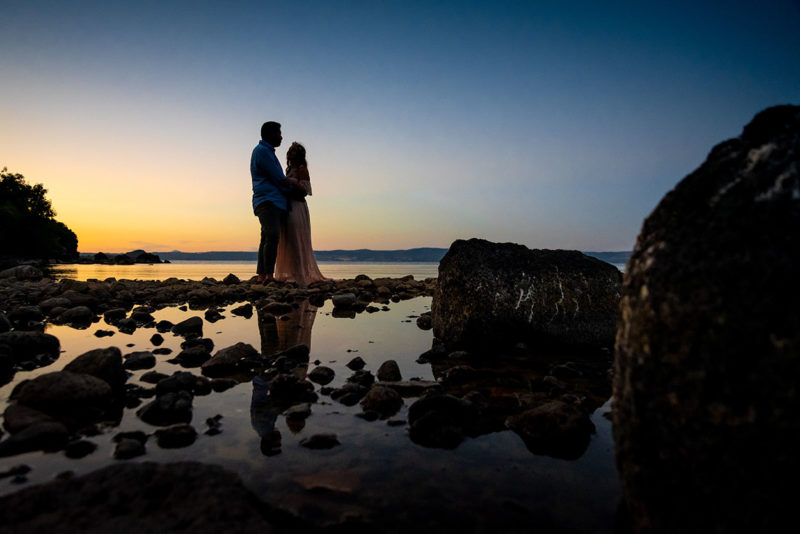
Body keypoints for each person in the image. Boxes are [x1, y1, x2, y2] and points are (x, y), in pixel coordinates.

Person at [273, 142, 328, 287]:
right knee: (289, 239)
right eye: (289, 150)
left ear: (298, 154)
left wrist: (291, 181)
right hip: (288, 205)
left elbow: (306, 189)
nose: (289, 152)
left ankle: (300, 274)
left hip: (298, 206)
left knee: (297, 239)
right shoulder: (289, 169)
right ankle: (291, 273)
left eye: (293, 150)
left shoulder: (302, 169)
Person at [251, 121, 290, 283]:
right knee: (272, 235)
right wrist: (295, 190)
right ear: (270, 134)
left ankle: (262, 275)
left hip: (269, 200)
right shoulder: (263, 152)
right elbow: (278, 178)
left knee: (267, 236)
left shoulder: (267, 152)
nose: (281, 137)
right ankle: (268, 275)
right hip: (268, 200)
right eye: (279, 133)